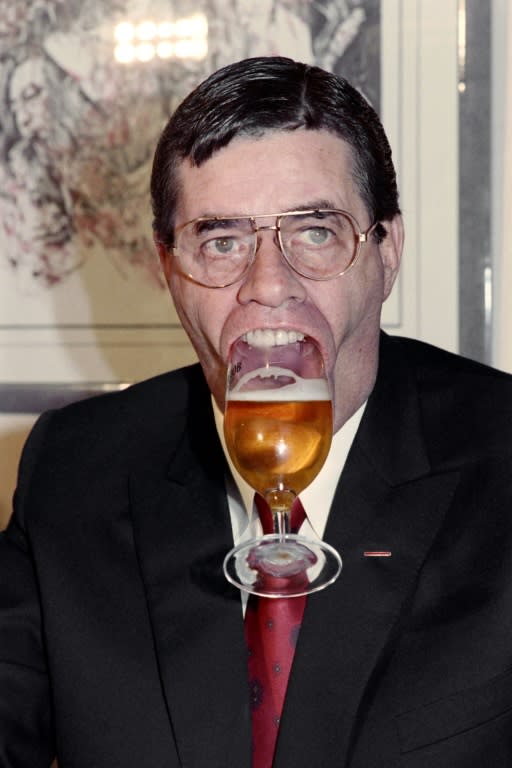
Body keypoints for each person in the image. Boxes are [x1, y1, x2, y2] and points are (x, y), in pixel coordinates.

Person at [1, 56, 512, 768]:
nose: (268, 285)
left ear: (387, 252)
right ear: (169, 270)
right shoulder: (75, 470)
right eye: (222, 241)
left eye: (314, 232)